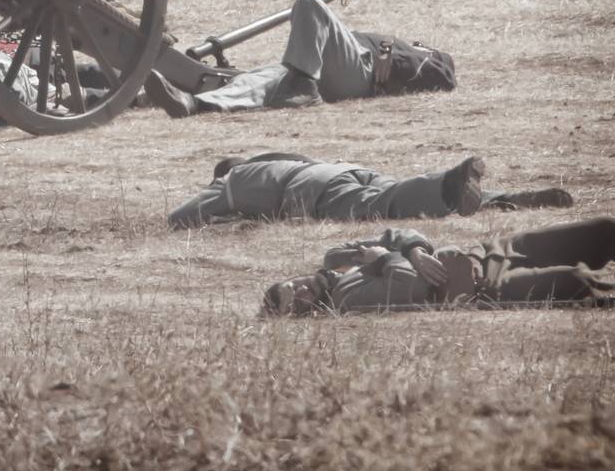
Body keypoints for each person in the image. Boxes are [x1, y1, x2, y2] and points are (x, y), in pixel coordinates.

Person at [142, 0, 454, 117]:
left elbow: (443, 75)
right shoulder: (392, 41)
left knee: (308, 4)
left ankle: (303, 86)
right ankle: (195, 104)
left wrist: (391, 52)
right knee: (255, 79)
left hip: (360, 74)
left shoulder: (431, 57)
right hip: (333, 70)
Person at [261, 218, 615, 316]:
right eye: (298, 302)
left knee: (602, 230)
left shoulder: (337, 256)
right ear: (304, 313)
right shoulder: (347, 301)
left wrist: (413, 249)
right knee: (583, 282)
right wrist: (384, 258)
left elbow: (396, 233)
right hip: (487, 287)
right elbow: (411, 287)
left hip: (487, 251)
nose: (303, 289)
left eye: (292, 286)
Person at [169, 153, 573, 229]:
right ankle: (506, 199)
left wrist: (220, 207)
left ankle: (448, 185)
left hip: (314, 191)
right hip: (345, 170)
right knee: (391, 190)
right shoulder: (280, 161)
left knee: (384, 207)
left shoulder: (234, 181)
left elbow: (179, 219)